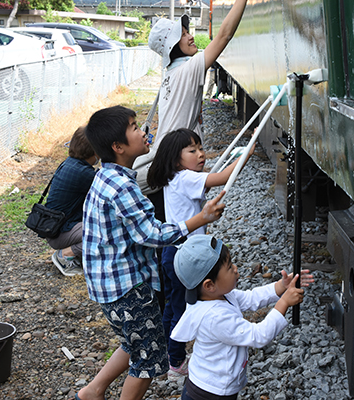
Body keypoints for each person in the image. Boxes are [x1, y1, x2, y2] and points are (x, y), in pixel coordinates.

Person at [75, 105, 226, 400]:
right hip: (126, 287)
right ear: (118, 146)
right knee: (148, 360)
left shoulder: (107, 176)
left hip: (109, 284)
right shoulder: (122, 188)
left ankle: (93, 391)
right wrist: (201, 218)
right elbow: (152, 234)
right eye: (134, 127)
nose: (143, 131)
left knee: (135, 341)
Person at [146, 128, 255, 380]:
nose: (201, 154)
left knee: (173, 307)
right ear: (176, 159)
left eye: (201, 148)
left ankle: (168, 354)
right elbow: (224, 177)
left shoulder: (176, 176)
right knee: (182, 310)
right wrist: (248, 150)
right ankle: (175, 362)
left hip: (172, 252)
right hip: (186, 257)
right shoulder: (186, 178)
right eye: (192, 150)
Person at [171, 234, 314, 400]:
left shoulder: (221, 295)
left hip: (213, 386)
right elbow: (258, 336)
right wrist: (283, 303)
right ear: (209, 285)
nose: (236, 268)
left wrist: (281, 286)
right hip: (210, 393)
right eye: (229, 267)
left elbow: (251, 297)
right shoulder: (214, 317)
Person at [134, 0, 250, 194]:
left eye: (187, 31)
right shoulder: (188, 69)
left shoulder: (171, 73)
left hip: (168, 158)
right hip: (176, 161)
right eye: (183, 34)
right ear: (172, 46)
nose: (191, 36)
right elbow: (224, 36)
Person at [45, 126, 97, 277]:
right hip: (61, 232)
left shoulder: (71, 163)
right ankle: (65, 255)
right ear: (93, 151)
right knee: (102, 231)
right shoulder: (83, 173)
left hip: (57, 228)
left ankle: (77, 252)